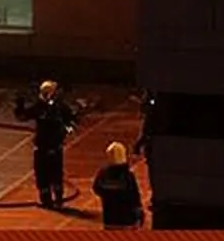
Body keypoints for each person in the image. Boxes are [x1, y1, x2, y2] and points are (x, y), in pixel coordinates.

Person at [14, 80, 78, 209]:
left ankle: (57, 198)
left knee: (54, 174)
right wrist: (19, 104)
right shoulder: (40, 107)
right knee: (44, 175)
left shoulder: (59, 107)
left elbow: (72, 121)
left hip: (53, 147)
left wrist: (66, 129)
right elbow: (22, 116)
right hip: (44, 147)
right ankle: (47, 200)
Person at [93, 141, 145, 229]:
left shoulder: (103, 174)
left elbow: (96, 188)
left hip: (109, 219)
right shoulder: (128, 176)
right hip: (127, 220)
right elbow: (134, 196)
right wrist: (139, 212)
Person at [133, 90, 157, 210]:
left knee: (156, 173)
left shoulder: (155, 114)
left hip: (157, 147)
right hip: (153, 148)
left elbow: (147, 130)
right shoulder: (151, 115)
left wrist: (139, 143)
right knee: (154, 173)